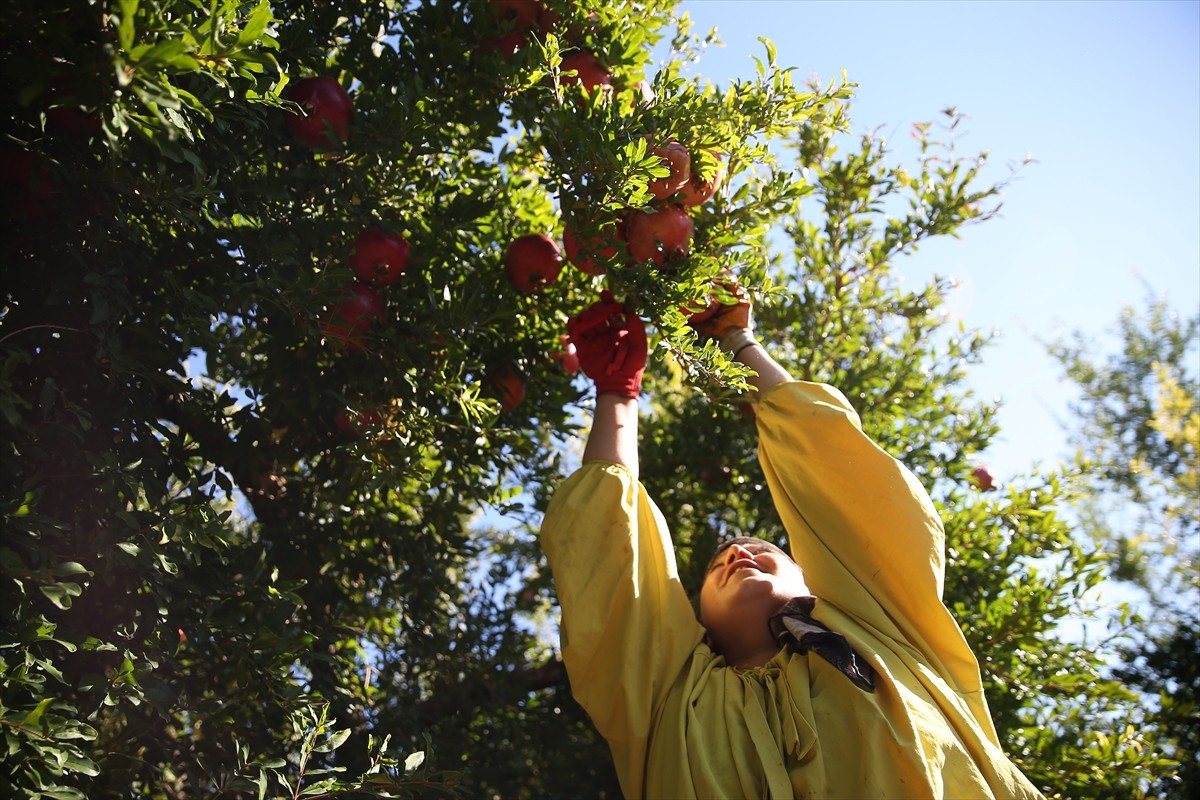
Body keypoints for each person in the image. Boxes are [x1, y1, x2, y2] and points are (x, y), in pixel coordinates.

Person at [538, 286, 1045, 799]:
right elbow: (611, 553)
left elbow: (841, 472)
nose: (739, 552)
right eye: (719, 563)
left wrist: (736, 340)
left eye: (766, 550)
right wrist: (618, 391)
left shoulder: (881, 630)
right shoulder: (665, 692)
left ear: (814, 578)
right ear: (694, 620)